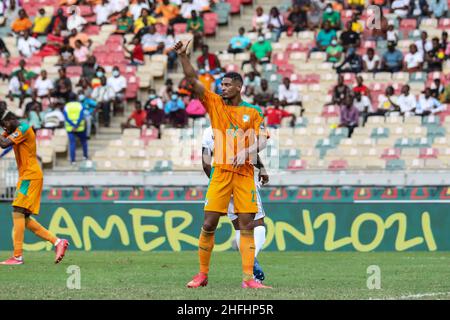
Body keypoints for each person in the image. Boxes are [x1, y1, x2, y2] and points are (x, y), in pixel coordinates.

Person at [173, 40, 271, 289]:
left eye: (227, 85)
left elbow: (261, 140)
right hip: (220, 173)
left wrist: (247, 151)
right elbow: (193, 80)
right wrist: (184, 57)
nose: (222, 88)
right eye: (221, 84)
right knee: (209, 223)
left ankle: (249, 278)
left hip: (245, 174)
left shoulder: (253, 112)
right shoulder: (215, 104)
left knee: (247, 225)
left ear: (239, 87)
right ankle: (202, 274)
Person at [0, 105, 69, 265]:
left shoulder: (23, 128)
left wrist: (4, 132)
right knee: (22, 217)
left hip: (30, 176)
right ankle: (58, 242)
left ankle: (17, 256)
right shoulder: (12, 129)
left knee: (17, 210)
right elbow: (3, 141)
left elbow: (3, 144)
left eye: (4, 125)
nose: (4, 128)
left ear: (11, 120)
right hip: (26, 177)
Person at [202, 125, 268, 282]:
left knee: (239, 226)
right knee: (257, 225)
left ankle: (248, 266)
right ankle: (251, 262)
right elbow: (249, 154)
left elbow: (205, 163)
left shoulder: (208, 131)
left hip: (221, 182)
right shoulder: (237, 124)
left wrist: (217, 182)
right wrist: (263, 169)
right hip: (243, 181)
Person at [64, 94, 88, 164]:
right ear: (76, 98)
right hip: (80, 127)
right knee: (84, 142)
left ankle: (73, 160)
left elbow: (66, 117)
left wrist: (73, 125)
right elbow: (81, 115)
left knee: (72, 143)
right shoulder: (80, 105)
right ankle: (85, 156)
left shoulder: (66, 106)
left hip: (70, 128)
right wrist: (76, 125)